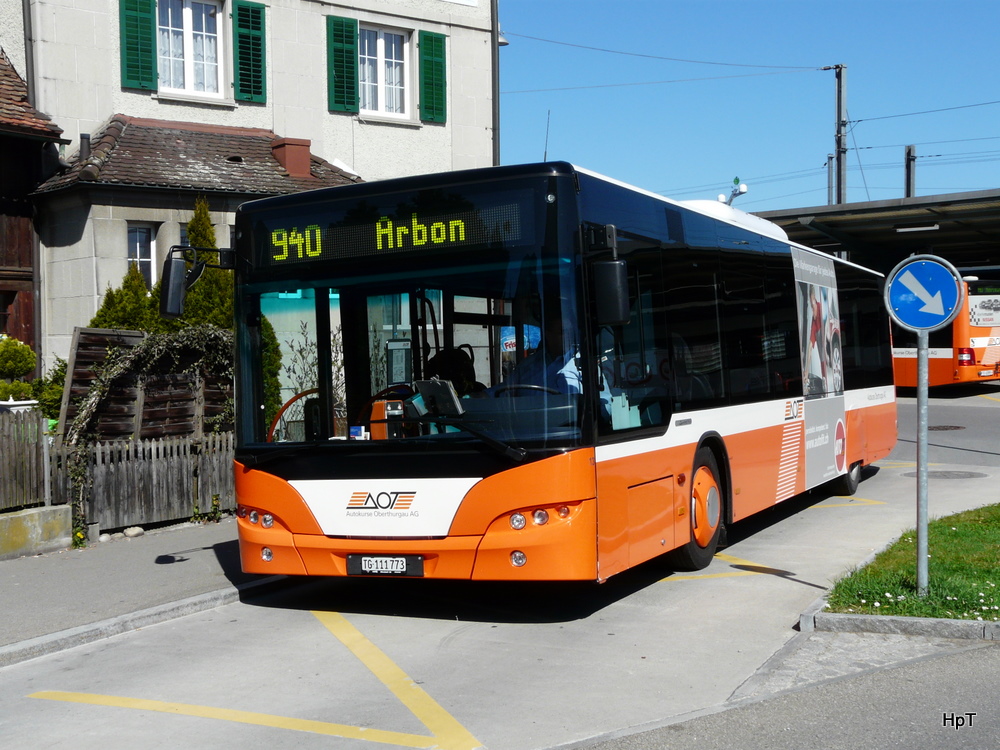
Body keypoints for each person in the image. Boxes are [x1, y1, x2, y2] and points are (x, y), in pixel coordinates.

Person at [494, 311, 581, 395]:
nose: (568, 336)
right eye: (562, 332)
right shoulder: (528, 364)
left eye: (570, 331)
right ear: (548, 334)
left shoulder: (581, 363)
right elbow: (503, 389)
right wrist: (487, 396)